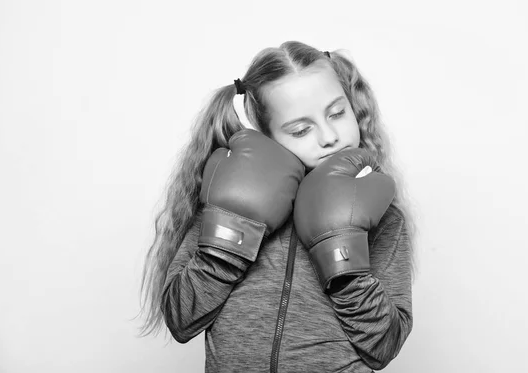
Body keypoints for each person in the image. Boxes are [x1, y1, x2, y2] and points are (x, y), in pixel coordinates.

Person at [138, 41, 417, 373]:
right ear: (266, 134)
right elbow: (181, 320)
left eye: (338, 113)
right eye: (300, 129)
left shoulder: (382, 214)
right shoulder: (226, 197)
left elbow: (383, 347)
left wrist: (342, 255)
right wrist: (231, 236)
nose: (329, 136)